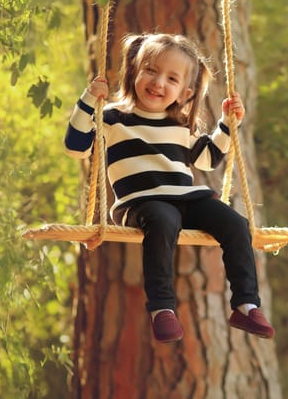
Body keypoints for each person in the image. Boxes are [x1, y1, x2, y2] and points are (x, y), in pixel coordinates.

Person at [64, 33, 275, 343]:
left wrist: (228, 125)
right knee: (164, 222)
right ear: (134, 69)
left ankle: (246, 304)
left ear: (183, 91)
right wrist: (86, 101)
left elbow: (207, 159)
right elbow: (76, 146)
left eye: (171, 78)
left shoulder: (179, 124)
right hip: (141, 204)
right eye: (150, 70)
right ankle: (162, 308)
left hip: (187, 200)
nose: (158, 82)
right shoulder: (111, 116)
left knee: (235, 223)